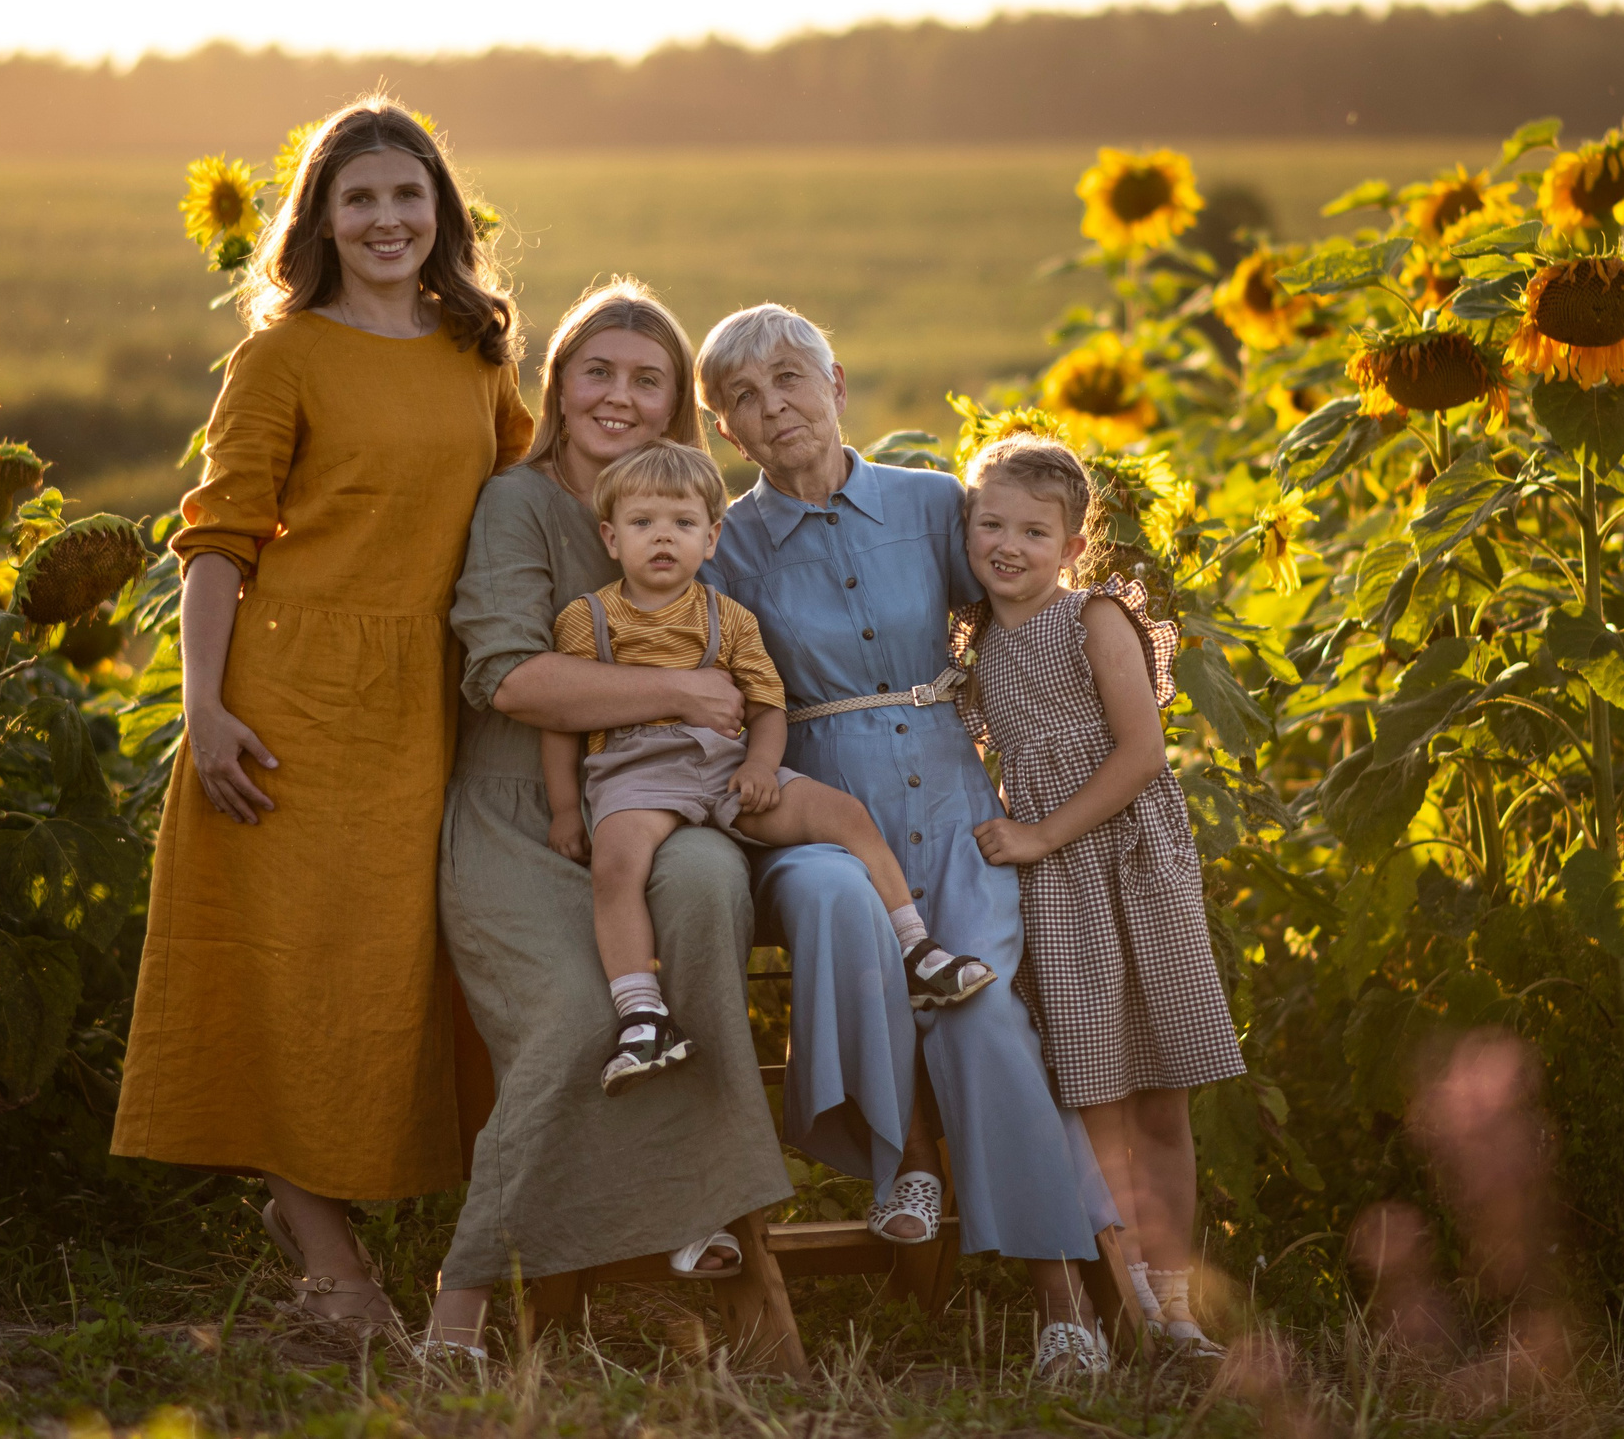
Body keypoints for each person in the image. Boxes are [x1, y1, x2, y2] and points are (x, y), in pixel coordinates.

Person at [111, 99, 531, 1338]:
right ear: (323, 219)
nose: (389, 219)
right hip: (288, 699)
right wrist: (205, 707)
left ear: (441, 213)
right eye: (361, 199)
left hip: (433, 698)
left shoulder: (477, 347)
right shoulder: (282, 356)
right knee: (289, 976)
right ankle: (332, 1262)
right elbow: (219, 539)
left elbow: (526, 501)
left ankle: (339, 1217)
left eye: (410, 197)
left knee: (396, 971)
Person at [697, 303, 1120, 1377]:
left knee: (978, 1014)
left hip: (954, 801)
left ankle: (1062, 1305)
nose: (772, 404)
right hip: (814, 806)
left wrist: (1091, 752)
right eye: (742, 397)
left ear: (836, 380)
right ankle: (897, 1169)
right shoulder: (728, 541)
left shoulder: (934, 504)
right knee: (851, 919)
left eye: (790, 376)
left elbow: (1034, 596)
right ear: (727, 431)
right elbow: (721, 687)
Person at [424, 281, 794, 1358]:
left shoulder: (684, 508)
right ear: (559, 383)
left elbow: (751, 660)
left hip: (666, 803)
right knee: (586, 1018)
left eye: (647, 379)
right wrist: (679, 693)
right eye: (599, 372)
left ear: (677, 401)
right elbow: (509, 677)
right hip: (523, 817)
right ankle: (468, 1288)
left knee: (710, 893)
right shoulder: (518, 502)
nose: (619, 398)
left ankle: (731, 1248)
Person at [540, 440, 993, 1096]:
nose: (662, 540)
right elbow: (563, 718)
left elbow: (768, 706)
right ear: (610, 537)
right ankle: (642, 1013)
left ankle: (915, 947)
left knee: (841, 813)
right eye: (642, 525)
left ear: (712, 537)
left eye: (683, 525)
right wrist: (563, 808)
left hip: (725, 765)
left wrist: (760, 765)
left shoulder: (731, 619)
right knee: (616, 866)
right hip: (635, 770)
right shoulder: (589, 619)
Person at [953, 434, 1246, 1358]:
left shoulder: (1095, 619)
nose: (1008, 545)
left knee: (1162, 1090)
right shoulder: (973, 644)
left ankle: (1178, 1298)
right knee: (1096, 1091)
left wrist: (1040, 831)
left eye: (1034, 531)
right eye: (989, 523)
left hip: (1130, 865)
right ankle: (1127, 1298)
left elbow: (1143, 754)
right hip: (1056, 894)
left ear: (1074, 547)